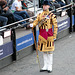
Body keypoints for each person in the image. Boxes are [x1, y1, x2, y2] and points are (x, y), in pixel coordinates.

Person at [29, 0, 58, 73]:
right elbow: (36, 21)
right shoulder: (40, 14)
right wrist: (33, 24)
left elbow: (55, 26)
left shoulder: (51, 15)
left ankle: (50, 66)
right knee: (44, 51)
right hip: (42, 35)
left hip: (49, 35)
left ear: (48, 6)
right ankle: (45, 65)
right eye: (43, 5)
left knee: (50, 51)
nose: (44, 6)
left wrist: (54, 35)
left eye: (45, 5)